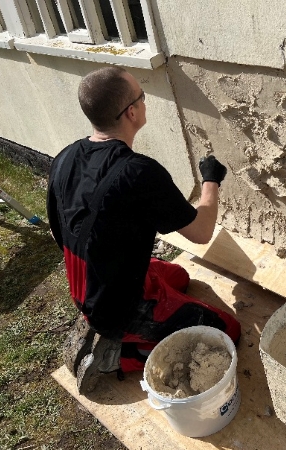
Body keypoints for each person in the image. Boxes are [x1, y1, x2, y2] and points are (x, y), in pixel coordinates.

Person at [47, 66, 241, 394]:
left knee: (180, 277)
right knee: (228, 331)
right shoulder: (138, 174)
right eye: (142, 96)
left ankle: (106, 322)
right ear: (132, 112)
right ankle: (121, 354)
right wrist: (211, 180)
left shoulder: (65, 158)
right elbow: (202, 232)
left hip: (89, 284)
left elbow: (58, 235)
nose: (145, 102)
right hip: (119, 308)